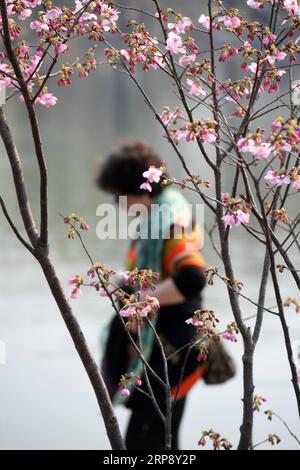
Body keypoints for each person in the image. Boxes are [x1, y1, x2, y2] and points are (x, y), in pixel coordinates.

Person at [97, 139, 207, 450]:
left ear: (139, 190)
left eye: (119, 198)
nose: (119, 206)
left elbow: (192, 278)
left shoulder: (172, 222)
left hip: (171, 351)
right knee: (161, 442)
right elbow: (157, 274)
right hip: (157, 349)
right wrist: (123, 280)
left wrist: (140, 305)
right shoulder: (154, 221)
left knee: (146, 443)